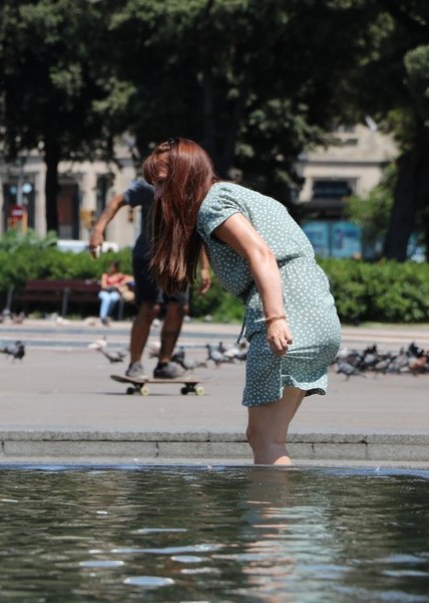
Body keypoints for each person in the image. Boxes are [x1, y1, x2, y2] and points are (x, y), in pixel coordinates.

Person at [142, 138, 341, 465]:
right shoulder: (237, 194)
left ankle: (271, 515)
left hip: (288, 314)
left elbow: (260, 253)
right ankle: (294, 516)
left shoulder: (213, 204)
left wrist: (275, 317)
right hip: (318, 312)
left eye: (162, 183)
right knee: (269, 437)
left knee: (264, 439)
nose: (157, 195)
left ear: (184, 176)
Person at [89, 179, 211, 379]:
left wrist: (205, 267)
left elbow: (199, 229)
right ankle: (135, 363)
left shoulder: (192, 189)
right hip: (148, 256)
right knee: (150, 307)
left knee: (179, 308)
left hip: (178, 260)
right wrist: (98, 230)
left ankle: (164, 362)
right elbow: (117, 201)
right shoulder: (150, 186)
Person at [98, 260, 132, 326]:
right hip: (104, 292)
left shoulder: (119, 275)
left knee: (114, 297)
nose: (111, 268)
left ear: (116, 268)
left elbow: (131, 278)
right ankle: (102, 316)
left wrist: (122, 282)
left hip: (114, 293)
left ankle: (106, 316)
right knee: (107, 298)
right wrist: (114, 285)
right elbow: (104, 286)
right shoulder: (105, 275)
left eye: (113, 267)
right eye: (111, 267)